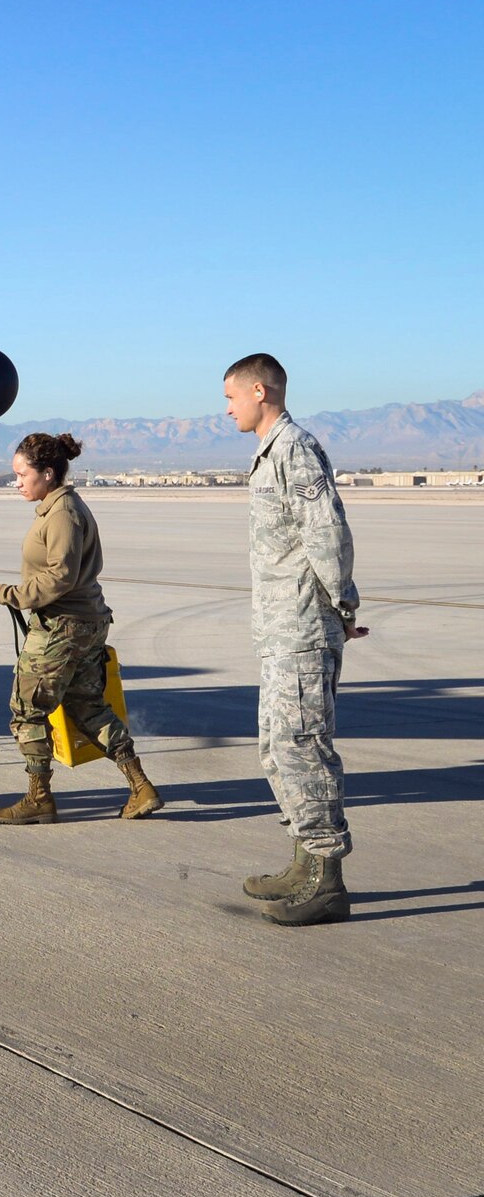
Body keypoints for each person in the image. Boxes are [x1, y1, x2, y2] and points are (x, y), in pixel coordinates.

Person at [224, 353, 365, 926]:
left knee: (303, 748)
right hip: (283, 628)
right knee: (278, 748)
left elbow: (327, 534)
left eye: (231, 397)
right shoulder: (269, 452)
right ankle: (304, 861)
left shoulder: (294, 449)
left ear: (259, 391)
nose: (227, 408)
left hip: (304, 627)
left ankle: (327, 882)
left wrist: (343, 603)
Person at [0, 432, 162, 823]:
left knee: (27, 711)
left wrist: (11, 595)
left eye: (21, 474)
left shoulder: (63, 513)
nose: (16, 482)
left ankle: (38, 799)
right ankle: (141, 786)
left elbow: (60, 577)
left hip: (62, 627)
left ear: (47, 473)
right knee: (87, 708)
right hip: (83, 623)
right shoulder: (59, 508)